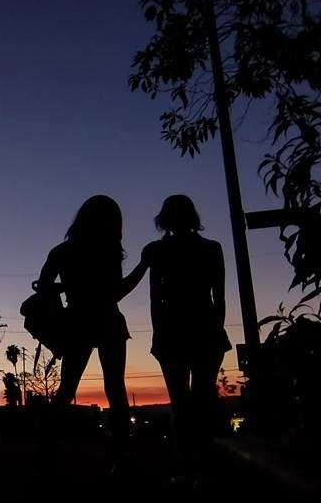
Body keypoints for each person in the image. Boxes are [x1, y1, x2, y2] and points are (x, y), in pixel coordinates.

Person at [35, 194, 146, 474]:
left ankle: (46, 452)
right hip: (108, 320)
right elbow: (116, 292)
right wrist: (143, 266)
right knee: (115, 390)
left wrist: (65, 296)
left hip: (77, 322)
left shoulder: (62, 251)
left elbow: (43, 288)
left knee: (66, 390)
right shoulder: (107, 250)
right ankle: (121, 459)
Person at [140, 194, 231, 486]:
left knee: (180, 404)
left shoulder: (157, 250)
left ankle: (186, 469)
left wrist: (159, 334)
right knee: (201, 402)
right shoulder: (211, 248)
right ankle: (202, 469)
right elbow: (220, 297)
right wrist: (216, 327)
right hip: (204, 330)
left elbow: (156, 299)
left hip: (173, 332)